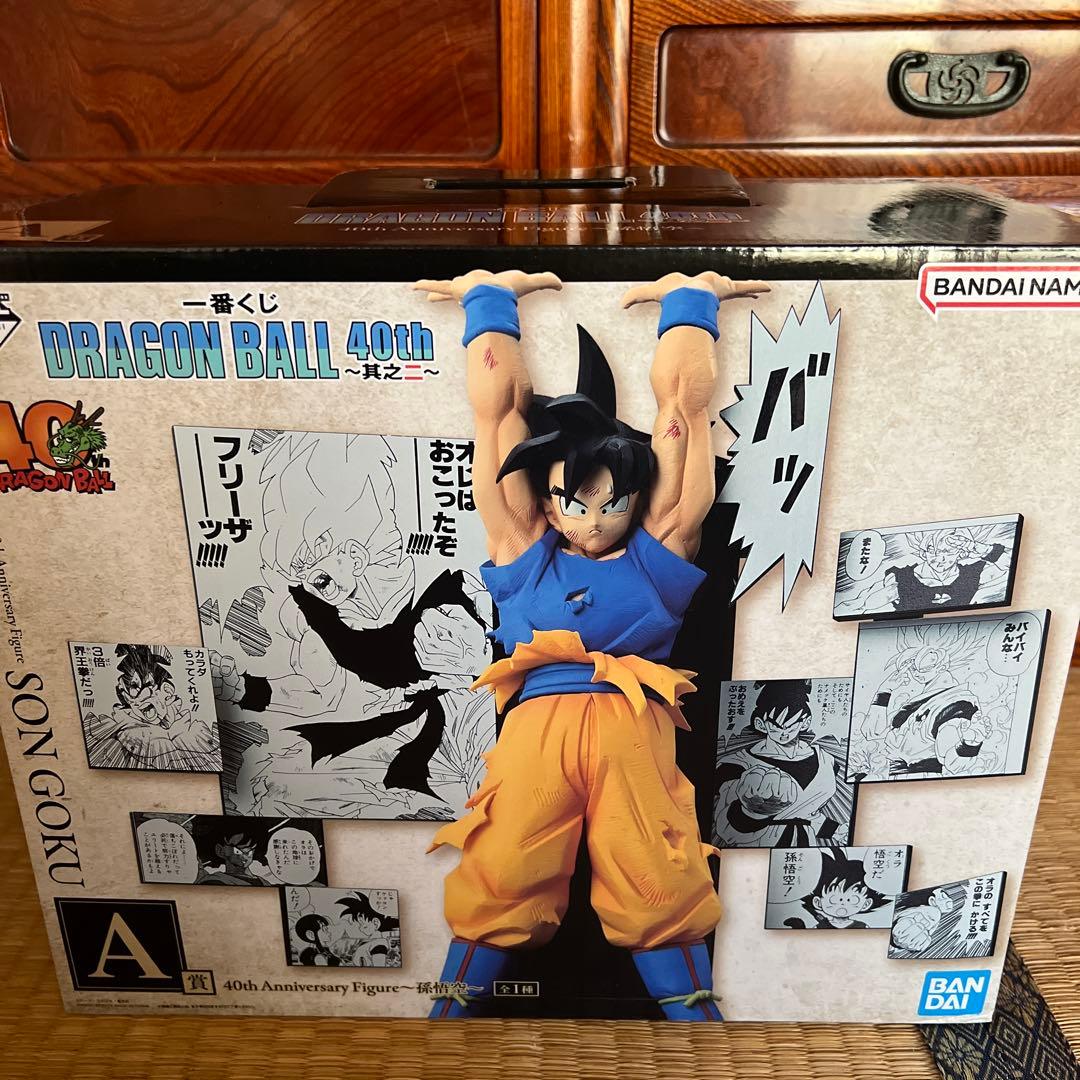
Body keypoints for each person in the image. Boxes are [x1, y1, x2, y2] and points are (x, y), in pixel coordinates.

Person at [414, 268, 768, 1021]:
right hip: (537, 732)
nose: (595, 518)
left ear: (635, 502)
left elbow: (684, 414)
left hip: (631, 728)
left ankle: (697, 1023)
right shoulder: (525, 555)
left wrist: (690, 304)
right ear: (547, 503)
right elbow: (497, 419)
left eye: (614, 502)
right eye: (574, 502)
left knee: (657, 875)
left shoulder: (657, 557)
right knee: (502, 868)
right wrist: (488, 301)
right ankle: (446, 1016)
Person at [714, 680, 841, 847]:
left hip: (806, 849)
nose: (784, 733)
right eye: (775, 727)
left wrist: (837, 831)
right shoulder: (736, 765)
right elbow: (725, 826)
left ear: (805, 723)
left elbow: (807, 814)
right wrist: (753, 812)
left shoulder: (826, 761)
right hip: (758, 849)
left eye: (791, 726)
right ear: (760, 724)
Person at [784, 850, 890, 929]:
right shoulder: (821, 926)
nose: (843, 903)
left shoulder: (862, 926)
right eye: (833, 899)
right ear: (818, 902)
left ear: (866, 904)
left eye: (853, 899)